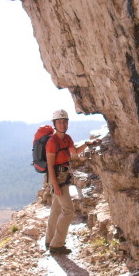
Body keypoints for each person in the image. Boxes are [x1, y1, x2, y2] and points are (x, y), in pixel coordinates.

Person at [45, 109, 98, 255]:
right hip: (57, 178)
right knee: (68, 210)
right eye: (59, 122)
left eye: (64, 121)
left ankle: (49, 240)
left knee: (56, 209)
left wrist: (87, 143)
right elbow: (50, 165)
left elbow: (74, 152)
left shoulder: (67, 138)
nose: (62, 124)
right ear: (55, 124)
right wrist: (55, 185)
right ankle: (57, 244)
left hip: (64, 176)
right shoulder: (52, 142)